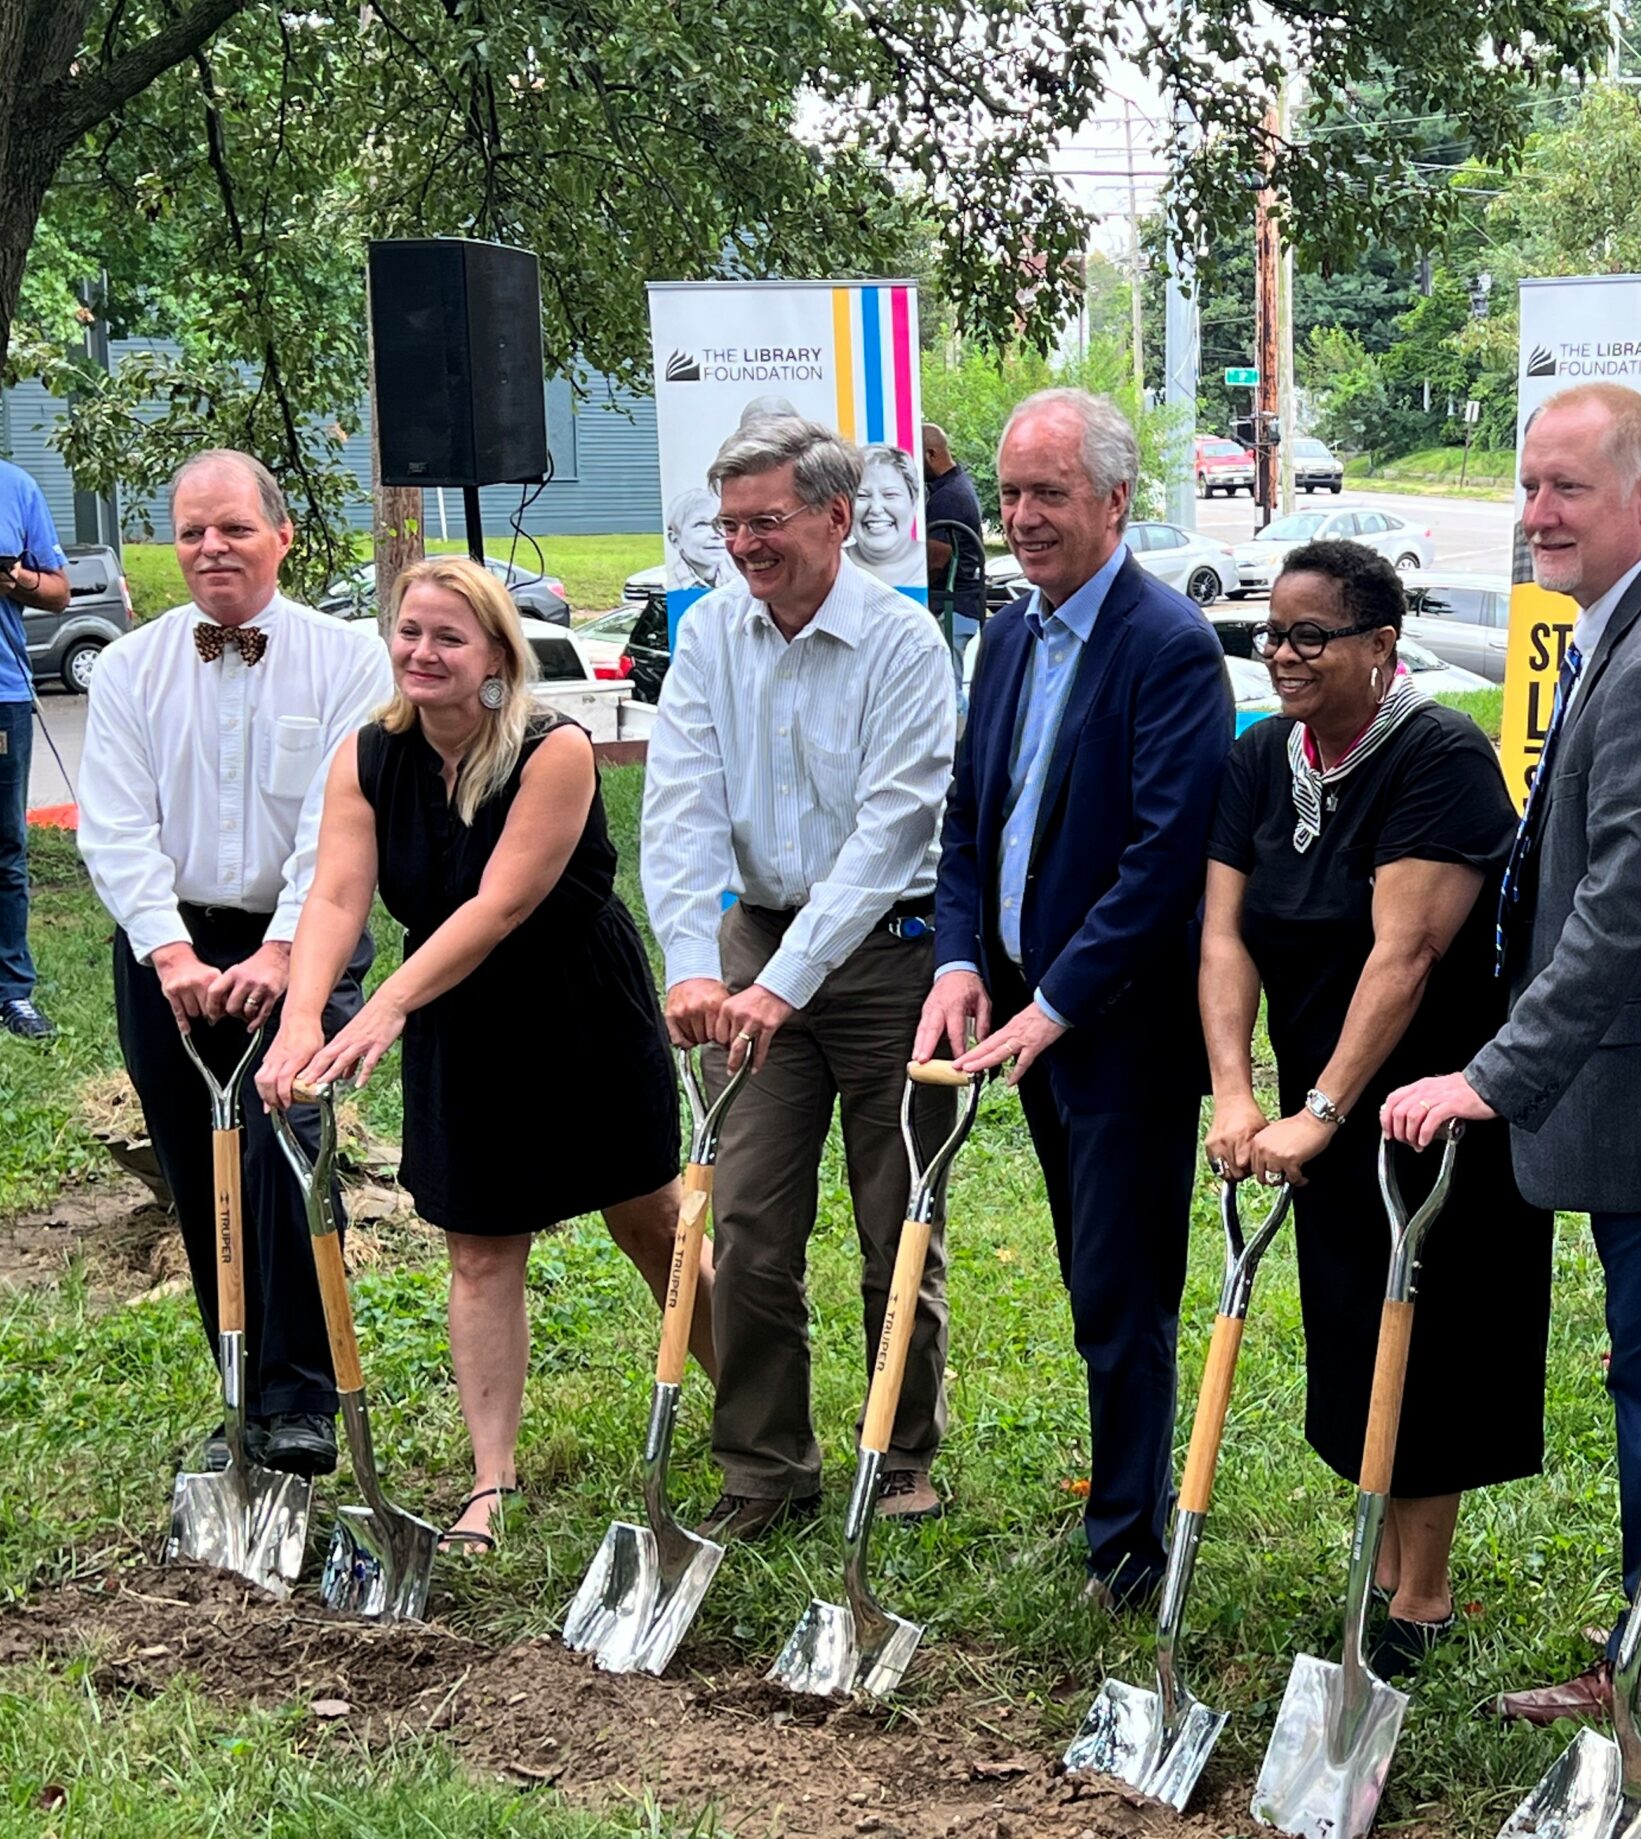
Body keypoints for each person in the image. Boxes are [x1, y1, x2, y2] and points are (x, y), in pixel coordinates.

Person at [1381, 383, 1641, 1720]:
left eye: (1566, 488)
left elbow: (1624, 909)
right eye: (1530, 483)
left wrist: (1496, 1076)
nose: (1535, 513)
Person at [255, 557, 700, 1551]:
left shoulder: (556, 749)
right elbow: (333, 897)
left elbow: (499, 906)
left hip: (576, 1003)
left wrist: (387, 1009)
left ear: (497, 656)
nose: (422, 652)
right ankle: (491, 1482)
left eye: (448, 637)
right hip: (462, 1019)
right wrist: (302, 1015)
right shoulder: (368, 754)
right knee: (479, 1245)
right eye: (409, 631)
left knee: (649, 1220)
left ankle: (754, 1420)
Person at [1201, 538, 1552, 1677]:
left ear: (1381, 645)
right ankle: (1383, 1574)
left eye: (1312, 635)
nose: (1285, 654)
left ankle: (1422, 1596)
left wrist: (1324, 1107)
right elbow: (1221, 936)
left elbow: (1405, 953)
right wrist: (1236, 1093)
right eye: (1274, 633)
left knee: (1431, 1330)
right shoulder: (1261, 758)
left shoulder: (1438, 756)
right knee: (1356, 1325)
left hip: (1427, 1104)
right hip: (1317, 1099)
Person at [913, 387, 1232, 1611]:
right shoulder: (1005, 636)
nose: (1024, 517)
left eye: (1049, 493)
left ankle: (1131, 1545)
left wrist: (1053, 1004)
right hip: (1022, 1019)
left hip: (1121, 1037)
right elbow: (966, 823)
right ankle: (1118, 1510)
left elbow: (1162, 863)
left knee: (1122, 1287)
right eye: (1009, 493)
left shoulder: (1166, 645)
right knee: (1085, 1269)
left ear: (1113, 499)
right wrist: (957, 960)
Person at [643, 414, 959, 1537]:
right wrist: (694, 964)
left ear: (837, 517)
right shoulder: (713, 636)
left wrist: (786, 981)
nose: (742, 546)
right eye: (729, 525)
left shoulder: (905, 644)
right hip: (753, 950)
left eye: (765, 521)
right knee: (751, 1228)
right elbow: (676, 806)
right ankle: (764, 1466)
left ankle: (900, 1451)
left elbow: (889, 833)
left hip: (892, 963)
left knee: (897, 1223)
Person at [76, 449, 392, 1477]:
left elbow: (338, 830)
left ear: (282, 536)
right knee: (194, 1160)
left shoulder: (348, 660)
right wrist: (168, 950)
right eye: (192, 532)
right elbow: (115, 825)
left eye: (235, 529)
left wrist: (284, 948)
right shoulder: (129, 667)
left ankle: (301, 1396)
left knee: (280, 1152)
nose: (212, 548)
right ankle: (240, 1390)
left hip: (304, 937)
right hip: (166, 951)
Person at [0, 455, 71, 1040]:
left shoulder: (17, 486)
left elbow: (58, 593)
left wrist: (17, 579)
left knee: (5, 846)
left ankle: (13, 992)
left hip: (3, 695)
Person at [921, 423, 986, 653]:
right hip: (960, 606)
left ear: (931, 454)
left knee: (948, 685)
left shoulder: (949, 496)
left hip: (951, 607)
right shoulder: (956, 485)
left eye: (915, 455)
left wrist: (914, 592)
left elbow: (936, 560)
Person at [851, 443, 923, 584]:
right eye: (862, 495)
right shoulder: (828, 566)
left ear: (913, 502)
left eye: (890, 494)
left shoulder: (934, 565)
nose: (876, 508)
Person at [664, 488, 730, 592]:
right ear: (675, 540)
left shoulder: (740, 579)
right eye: (701, 524)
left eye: (723, 523)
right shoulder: (672, 586)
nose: (717, 534)